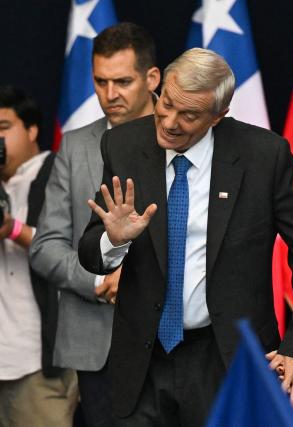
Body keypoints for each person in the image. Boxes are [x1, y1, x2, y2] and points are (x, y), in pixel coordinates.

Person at [77, 48, 293, 426]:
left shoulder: (264, 156)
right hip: (143, 362)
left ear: (219, 116)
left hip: (225, 357)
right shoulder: (123, 145)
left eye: (189, 114)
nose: (169, 122)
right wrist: (114, 241)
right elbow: (90, 251)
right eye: (166, 103)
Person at [30, 22, 160, 427]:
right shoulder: (75, 145)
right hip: (99, 345)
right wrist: (99, 282)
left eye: (122, 81)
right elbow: (46, 246)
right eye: (100, 82)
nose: (110, 95)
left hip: (177, 339)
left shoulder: (183, 134)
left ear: (152, 77)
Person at [0, 85, 78, 426]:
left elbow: (73, 251)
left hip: (35, 364)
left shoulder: (60, 173)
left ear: (32, 130)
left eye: (3, 129)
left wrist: (12, 229)